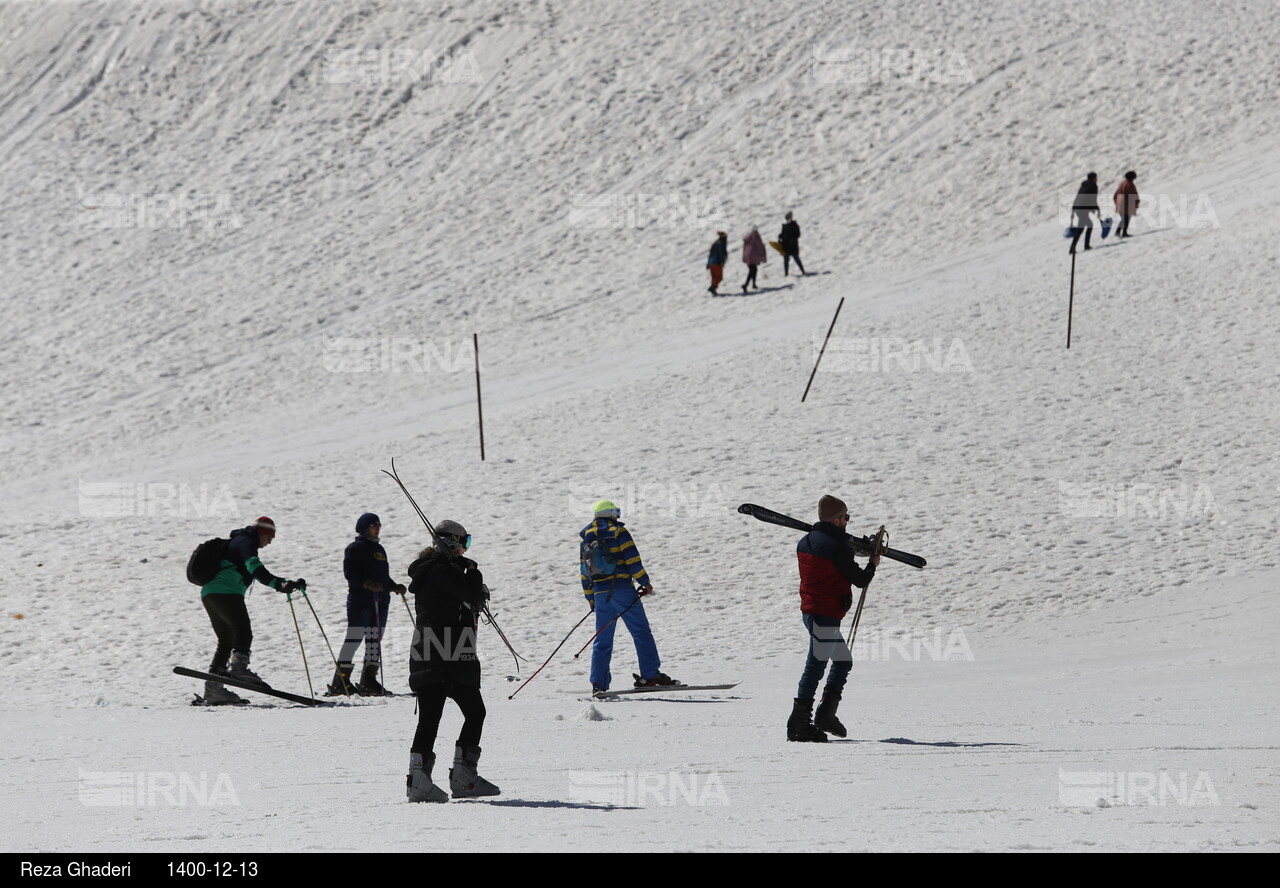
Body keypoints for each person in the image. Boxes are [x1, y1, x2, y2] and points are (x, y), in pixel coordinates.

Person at [405, 520, 499, 803]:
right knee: (473, 712)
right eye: (463, 543)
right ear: (452, 543)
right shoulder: (442, 571)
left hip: (433, 651)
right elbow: (469, 595)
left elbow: (463, 599)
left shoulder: (436, 571)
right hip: (448, 653)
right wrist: (474, 573)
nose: (464, 549)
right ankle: (462, 778)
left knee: (432, 718)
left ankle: (420, 782)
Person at [788, 495, 879, 742]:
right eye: (846, 517)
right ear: (837, 519)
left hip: (811, 612)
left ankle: (823, 715)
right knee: (816, 667)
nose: (848, 521)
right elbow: (860, 580)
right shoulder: (838, 548)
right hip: (825, 615)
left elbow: (831, 562)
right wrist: (872, 563)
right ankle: (800, 723)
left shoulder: (805, 541)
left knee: (841, 661)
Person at [198, 517, 306, 704]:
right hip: (226, 592)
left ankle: (213, 689)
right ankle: (238, 668)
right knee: (243, 632)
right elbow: (254, 567)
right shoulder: (247, 541)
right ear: (262, 533)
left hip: (210, 593)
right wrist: (277, 584)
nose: (270, 542)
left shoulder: (238, 541)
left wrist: (284, 582)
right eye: (270, 537)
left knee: (226, 640)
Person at [579, 499, 677, 693]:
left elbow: (584, 571)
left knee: (602, 639)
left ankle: (599, 683)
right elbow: (632, 559)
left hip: (600, 593)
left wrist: (590, 597)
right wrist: (645, 582)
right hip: (622, 589)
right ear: (611, 514)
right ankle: (650, 675)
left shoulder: (587, 538)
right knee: (641, 632)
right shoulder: (618, 532)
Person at [327, 513, 406, 697]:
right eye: (373, 525)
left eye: (379, 525)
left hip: (381, 602)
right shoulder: (355, 548)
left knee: (374, 641)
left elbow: (383, 577)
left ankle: (368, 679)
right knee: (354, 639)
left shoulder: (379, 550)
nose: (377, 528)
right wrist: (368, 584)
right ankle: (340, 680)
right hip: (361, 602)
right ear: (364, 527)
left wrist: (393, 586)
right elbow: (350, 574)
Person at [1069, 172, 1102, 254]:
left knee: (1088, 225)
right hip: (1083, 209)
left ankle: (1085, 245)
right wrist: (1096, 209)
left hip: (1077, 208)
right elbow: (1093, 198)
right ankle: (1074, 248)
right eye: (1096, 178)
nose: (1097, 179)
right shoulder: (1093, 186)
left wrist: (1073, 210)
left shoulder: (1083, 186)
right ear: (1093, 178)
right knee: (1081, 229)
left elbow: (1078, 197)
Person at [778, 211, 805, 276]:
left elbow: (798, 234)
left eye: (788, 217)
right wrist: (780, 236)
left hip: (792, 245)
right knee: (786, 260)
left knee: (796, 258)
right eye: (786, 218)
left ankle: (802, 270)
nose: (787, 219)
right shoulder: (784, 226)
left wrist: (792, 239)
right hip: (785, 245)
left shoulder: (795, 225)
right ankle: (786, 273)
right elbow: (783, 234)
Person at [1114, 170, 1139, 238]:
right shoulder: (1129, 184)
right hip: (1126, 204)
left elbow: (1116, 193)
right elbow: (1132, 195)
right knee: (1125, 219)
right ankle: (1120, 232)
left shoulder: (1122, 183)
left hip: (1120, 203)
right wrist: (1136, 202)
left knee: (1124, 219)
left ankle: (1122, 232)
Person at [741, 226, 767, 293]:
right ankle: (746, 285)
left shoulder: (748, 236)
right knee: (753, 270)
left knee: (753, 270)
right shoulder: (756, 236)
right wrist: (762, 255)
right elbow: (759, 246)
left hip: (747, 256)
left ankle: (753, 284)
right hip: (753, 256)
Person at [706, 231, 728, 295]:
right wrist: (722, 262)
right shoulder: (721, 243)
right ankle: (712, 288)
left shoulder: (715, 243)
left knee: (714, 277)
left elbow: (710, 253)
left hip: (711, 262)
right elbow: (721, 254)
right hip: (717, 262)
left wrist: (708, 263)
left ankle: (713, 290)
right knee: (719, 277)